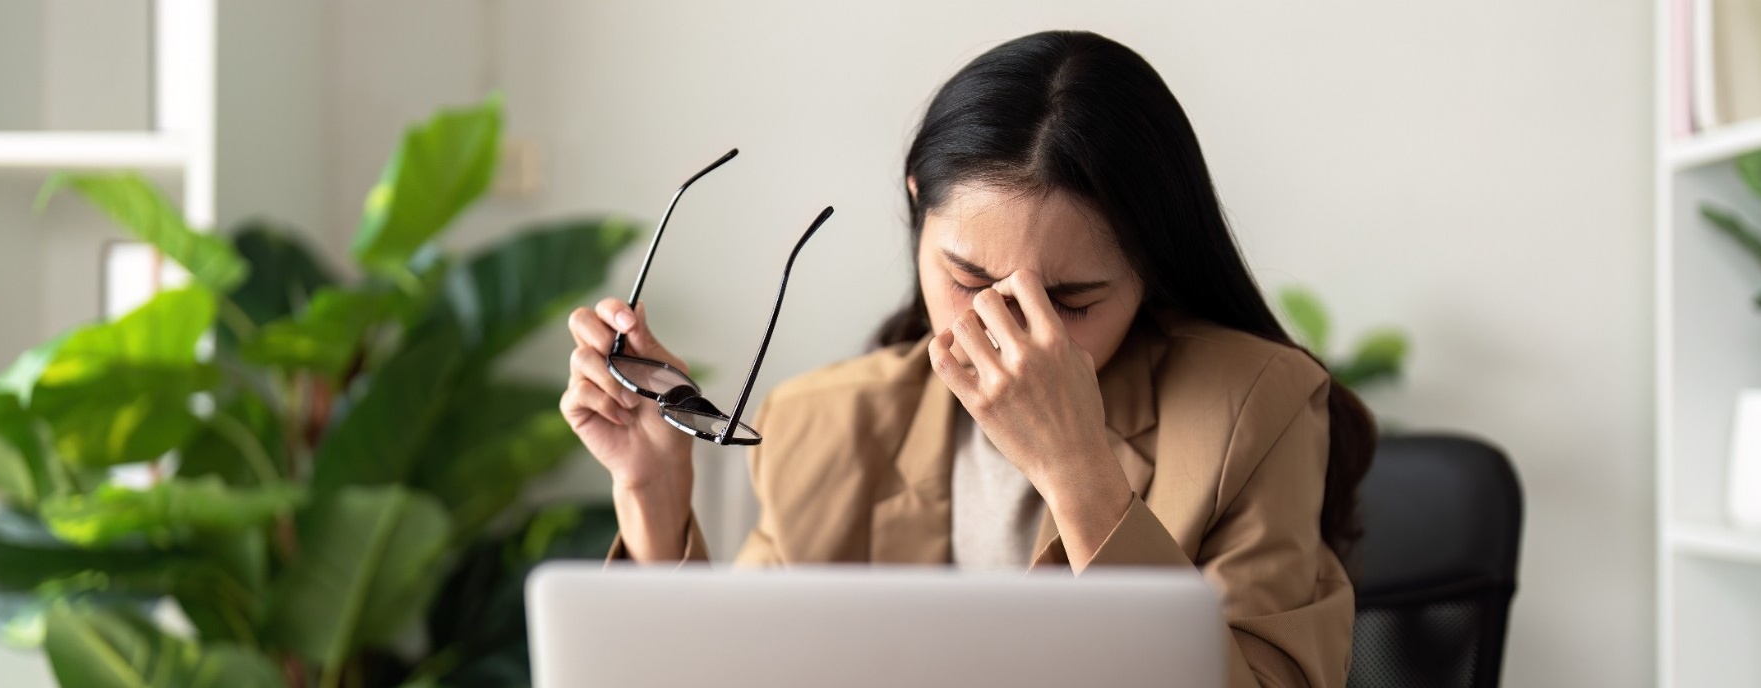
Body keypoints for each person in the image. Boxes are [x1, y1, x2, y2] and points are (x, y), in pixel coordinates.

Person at [560, 29, 1372, 688]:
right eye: (969, 278)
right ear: (918, 205)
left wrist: (1080, 472)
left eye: (1071, 302)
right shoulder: (823, 422)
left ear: (1150, 269)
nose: (1005, 330)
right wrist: (655, 494)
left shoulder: (1253, 408)